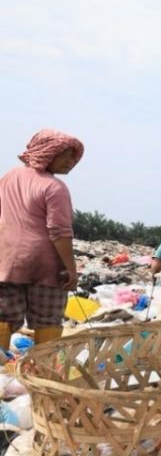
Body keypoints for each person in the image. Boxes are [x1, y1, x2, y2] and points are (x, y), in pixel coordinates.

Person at [0, 129, 85, 352]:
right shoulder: (54, 187)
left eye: (72, 156)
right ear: (47, 152)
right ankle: (44, 371)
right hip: (45, 264)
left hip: (8, 259)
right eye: (65, 154)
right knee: (47, 319)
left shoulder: (9, 177)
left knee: (4, 315)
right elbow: (59, 232)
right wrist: (71, 269)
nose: (71, 161)